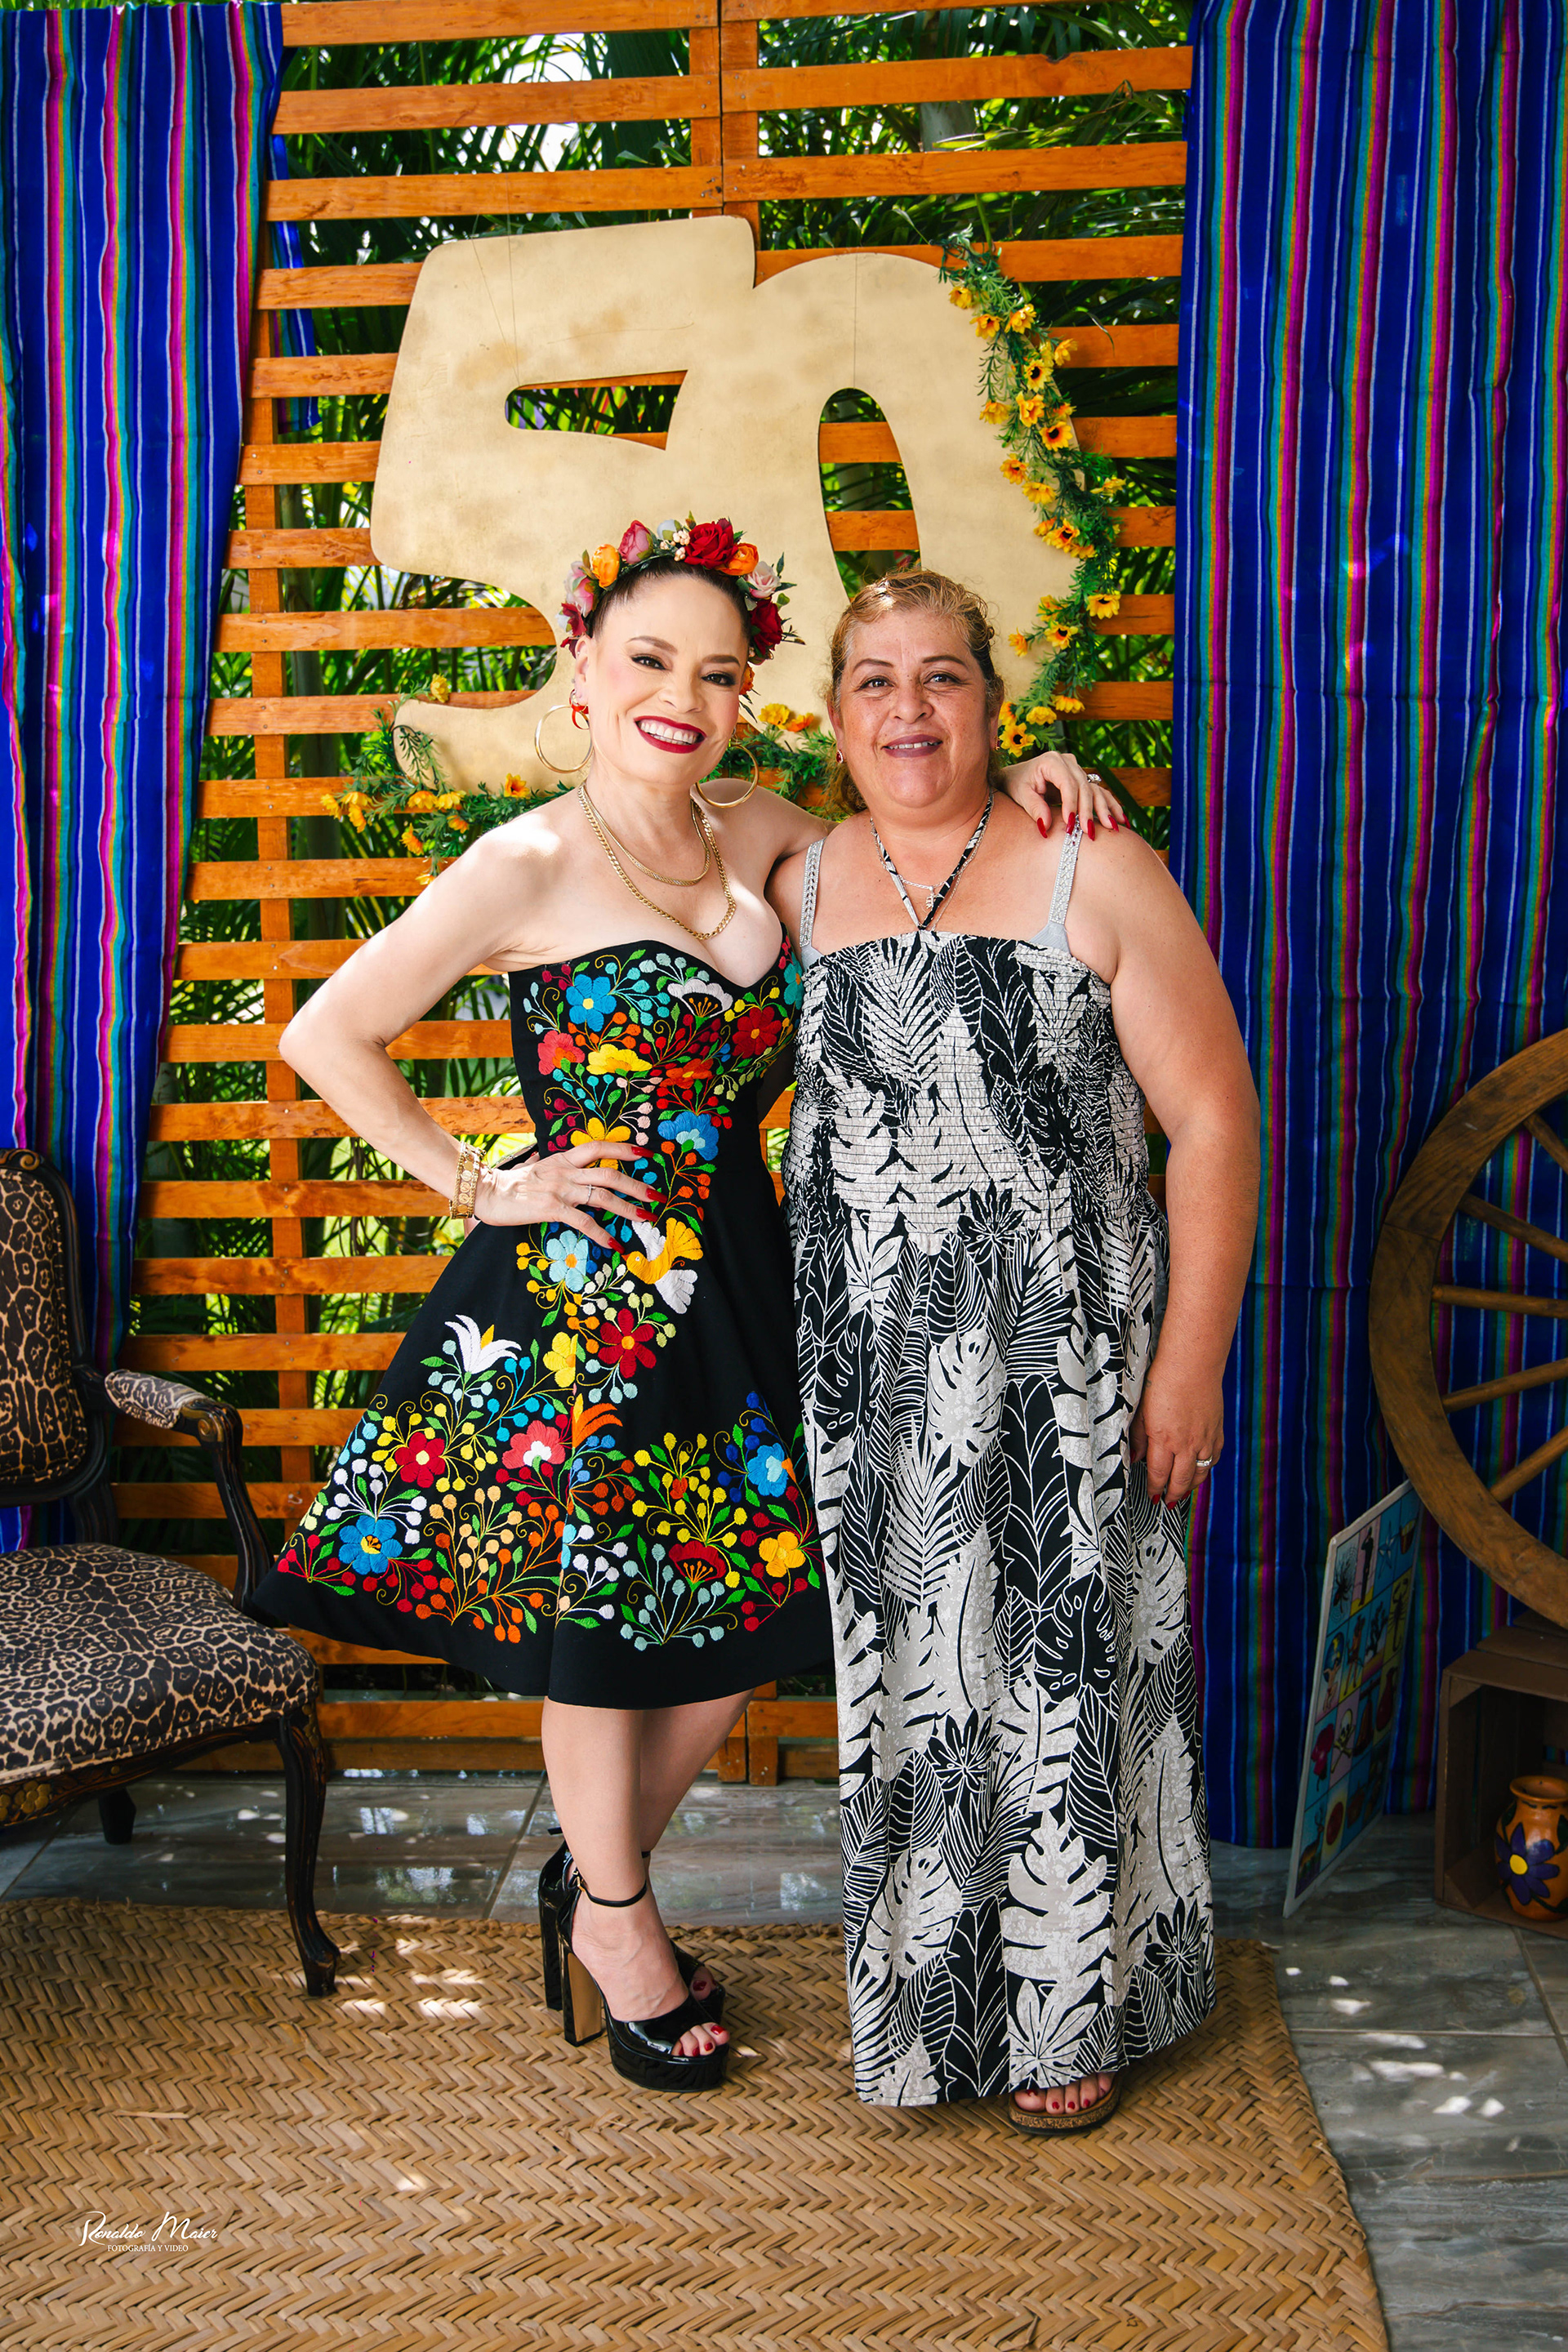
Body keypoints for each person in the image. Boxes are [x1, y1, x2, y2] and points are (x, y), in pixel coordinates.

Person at [249, 519, 1118, 2094]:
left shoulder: (756, 823)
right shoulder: (525, 862)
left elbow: (912, 830)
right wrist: (481, 1184)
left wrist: (1028, 771)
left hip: (744, 1270)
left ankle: (593, 1886)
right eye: (650, 659)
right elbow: (327, 1034)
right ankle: (625, 1920)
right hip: (587, 1297)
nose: (684, 697)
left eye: (718, 674)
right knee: (606, 1631)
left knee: (748, 1619)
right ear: (581, 668)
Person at [770, 570, 1260, 2128]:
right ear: (832, 716)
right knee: (916, 1690)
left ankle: (1072, 2015)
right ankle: (928, 2016)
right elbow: (644, 800)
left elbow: (1212, 1123)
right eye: (875, 680)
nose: (909, 708)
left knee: (1067, 1676)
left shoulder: (1091, 864)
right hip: (873, 1370)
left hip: (1071, 1359)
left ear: (995, 703)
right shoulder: (793, 872)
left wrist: (1191, 1365)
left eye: (943, 678)